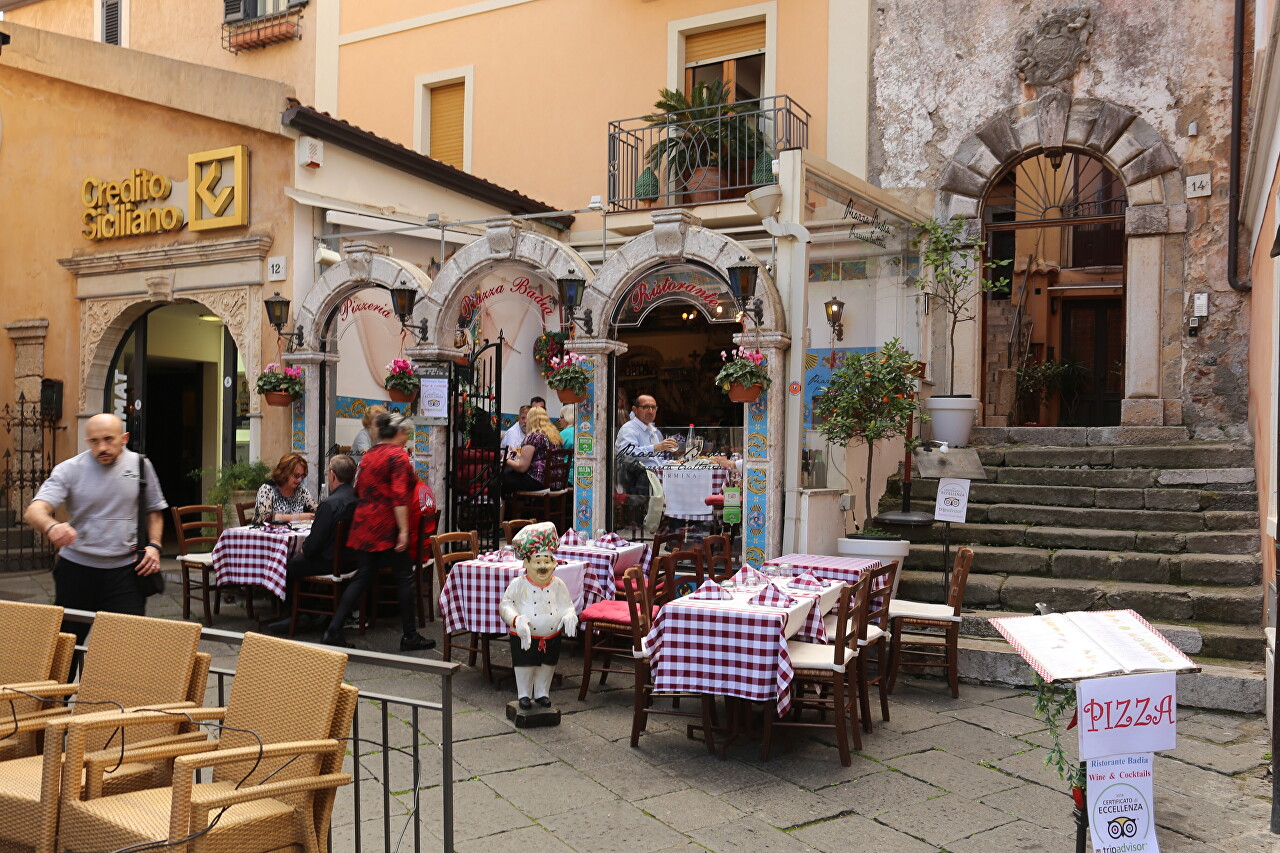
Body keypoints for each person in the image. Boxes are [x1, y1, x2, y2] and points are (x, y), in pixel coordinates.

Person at [24, 413, 166, 644]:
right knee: (66, 647)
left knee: (126, 648)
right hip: (77, 570)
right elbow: (34, 510)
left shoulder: (141, 465)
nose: (102, 447)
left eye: (109, 439)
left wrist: (154, 545)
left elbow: (154, 510)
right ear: (87, 441)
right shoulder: (69, 469)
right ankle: (63, 682)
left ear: (124, 438)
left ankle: (112, 682)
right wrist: (52, 527)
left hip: (126, 573)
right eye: (94, 441)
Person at [323, 412, 434, 651]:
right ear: (398, 433)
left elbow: (360, 488)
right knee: (404, 578)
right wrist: (404, 531)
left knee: (362, 577)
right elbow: (398, 497)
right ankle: (410, 635)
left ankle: (333, 630)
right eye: (406, 433)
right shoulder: (398, 456)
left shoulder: (370, 455)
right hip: (386, 527)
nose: (407, 437)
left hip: (364, 525)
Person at [266, 454, 359, 634]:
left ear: (332, 475)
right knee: (300, 561)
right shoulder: (359, 499)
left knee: (290, 565)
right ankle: (309, 610)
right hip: (353, 560)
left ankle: (297, 615)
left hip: (330, 563)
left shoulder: (329, 504)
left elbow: (313, 545)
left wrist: (304, 549)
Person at [498, 522, 577, 711]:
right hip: (524, 636)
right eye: (538, 562)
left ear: (554, 564)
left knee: (547, 665)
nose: (543, 566)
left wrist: (569, 616)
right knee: (525, 665)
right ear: (526, 564)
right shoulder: (519, 584)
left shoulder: (558, 584)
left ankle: (542, 693)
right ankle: (524, 694)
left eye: (547, 562)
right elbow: (506, 605)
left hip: (551, 637)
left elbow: (567, 605)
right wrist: (516, 619)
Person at [503, 406, 562, 494]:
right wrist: (516, 454)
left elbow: (522, 468)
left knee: (503, 479)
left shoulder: (533, 437)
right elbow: (537, 457)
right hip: (555, 482)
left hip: (539, 481)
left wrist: (505, 460)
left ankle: (506, 507)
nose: (526, 421)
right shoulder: (554, 436)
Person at [254, 453, 318, 524]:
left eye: (302, 476)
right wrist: (298, 517)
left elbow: (316, 511)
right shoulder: (267, 489)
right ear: (284, 473)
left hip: (294, 533)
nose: (300, 480)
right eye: (296, 476)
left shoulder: (301, 490)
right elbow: (265, 518)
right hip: (267, 533)